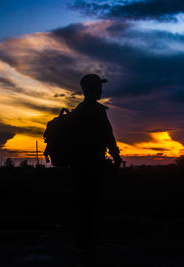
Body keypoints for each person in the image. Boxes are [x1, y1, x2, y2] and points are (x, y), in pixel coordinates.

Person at [71, 74, 122, 262]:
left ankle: (83, 243)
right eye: (98, 87)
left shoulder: (79, 110)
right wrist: (116, 156)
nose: (101, 90)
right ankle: (87, 245)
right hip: (92, 163)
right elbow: (108, 135)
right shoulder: (97, 111)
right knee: (91, 203)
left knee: (85, 203)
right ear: (91, 89)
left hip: (78, 165)